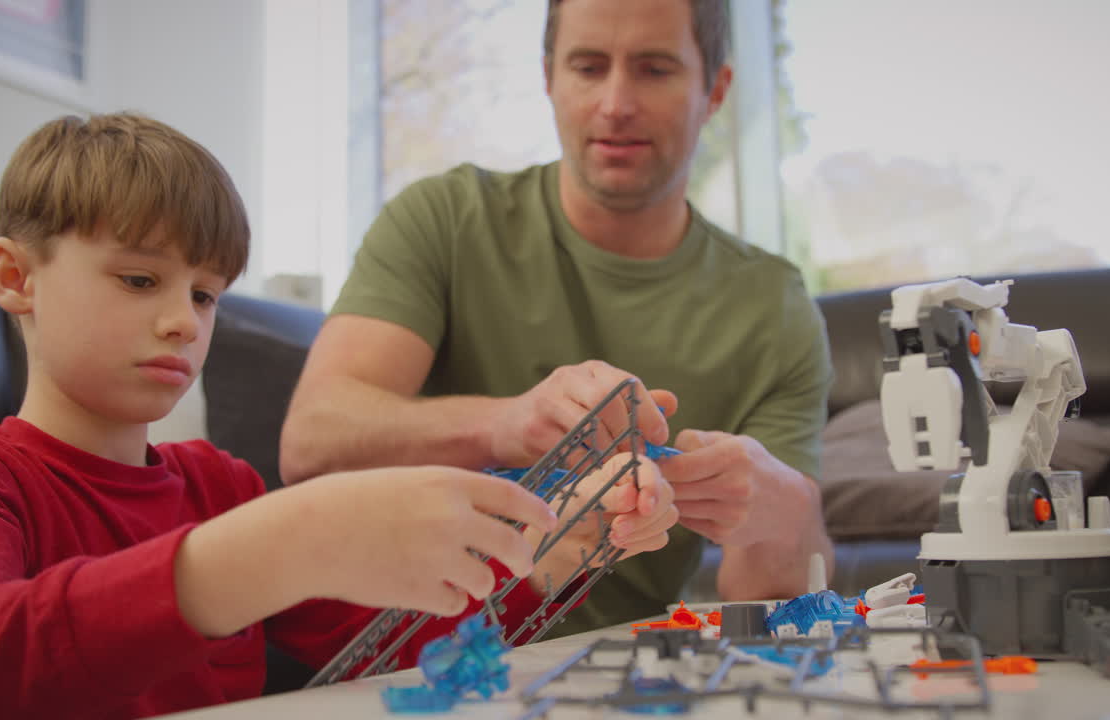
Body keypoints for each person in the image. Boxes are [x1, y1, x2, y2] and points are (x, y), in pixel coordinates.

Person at [0, 113, 677, 719]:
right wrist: (277, 544)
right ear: (16, 277)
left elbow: (396, 649)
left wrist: (556, 549)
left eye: (205, 294)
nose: (184, 321)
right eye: (141, 278)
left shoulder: (220, 486)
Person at [280, 0, 834, 637]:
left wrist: (784, 512)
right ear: (548, 76)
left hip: (624, 670)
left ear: (716, 90)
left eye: (655, 69)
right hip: (418, 654)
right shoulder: (444, 219)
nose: (615, 103)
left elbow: (761, 600)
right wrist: (505, 424)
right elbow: (311, 443)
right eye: (588, 66)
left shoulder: (774, 305)